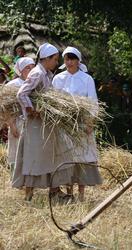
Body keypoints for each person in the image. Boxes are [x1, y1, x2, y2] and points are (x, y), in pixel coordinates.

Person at [12, 43, 72, 201]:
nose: (56, 63)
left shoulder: (46, 74)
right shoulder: (37, 73)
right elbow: (21, 94)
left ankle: (54, 190)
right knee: (34, 157)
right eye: (55, 59)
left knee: (52, 155)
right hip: (35, 126)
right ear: (46, 59)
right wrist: (31, 110)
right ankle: (29, 195)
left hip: (45, 124)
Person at [52, 46, 102, 201]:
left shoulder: (87, 79)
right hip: (64, 125)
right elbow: (54, 101)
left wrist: (90, 122)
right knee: (67, 158)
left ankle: (81, 194)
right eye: (67, 58)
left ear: (78, 61)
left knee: (82, 158)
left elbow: (93, 101)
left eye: (72, 58)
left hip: (82, 124)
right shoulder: (58, 79)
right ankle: (69, 193)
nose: (69, 62)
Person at [5, 57, 35, 176]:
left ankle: (30, 180)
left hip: (33, 123)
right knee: (16, 150)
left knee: (31, 152)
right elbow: (6, 108)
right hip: (17, 122)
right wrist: (12, 126)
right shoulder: (13, 85)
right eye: (27, 68)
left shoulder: (36, 84)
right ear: (20, 70)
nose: (31, 70)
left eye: (33, 68)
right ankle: (16, 179)